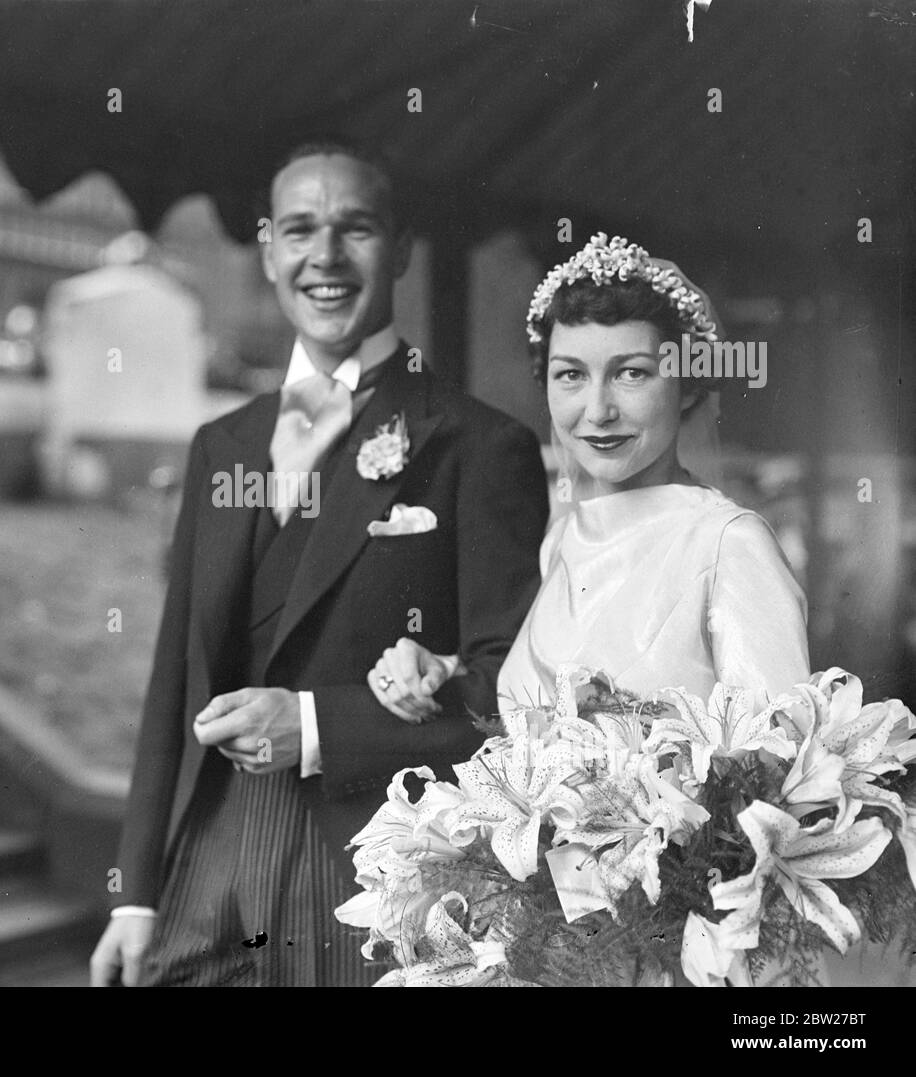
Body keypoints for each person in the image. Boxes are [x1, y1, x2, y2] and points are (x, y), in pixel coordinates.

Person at [89, 139, 549, 987]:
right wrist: (135, 893)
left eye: (356, 228)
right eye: (299, 229)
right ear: (267, 250)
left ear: (402, 248)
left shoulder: (480, 446)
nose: (325, 257)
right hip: (206, 860)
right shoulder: (219, 443)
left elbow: (509, 700)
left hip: (369, 881)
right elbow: (174, 679)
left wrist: (312, 725)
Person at [369, 233, 810, 723]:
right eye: (571, 375)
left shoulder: (729, 544)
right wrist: (440, 672)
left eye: (632, 373)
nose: (598, 412)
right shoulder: (560, 540)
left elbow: (772, 763)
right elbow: (537, 713)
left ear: (687, 388)